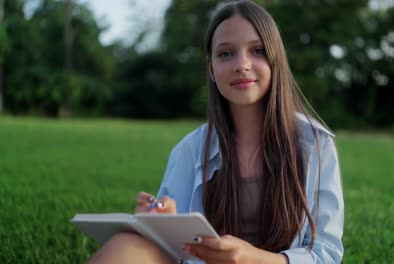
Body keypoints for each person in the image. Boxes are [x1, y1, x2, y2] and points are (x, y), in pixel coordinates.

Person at [87, 1, 344, 263]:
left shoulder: (315, 144)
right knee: (126, 245)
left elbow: (326, 253)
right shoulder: (190, 149)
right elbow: (173, 248)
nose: (241, 65)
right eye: (225, 54)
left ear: (276, 58)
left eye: (257, 50)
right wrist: (164, 223)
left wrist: (251, 258)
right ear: (210, 68)